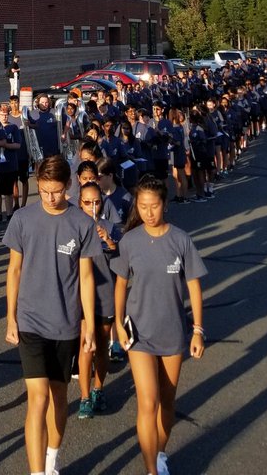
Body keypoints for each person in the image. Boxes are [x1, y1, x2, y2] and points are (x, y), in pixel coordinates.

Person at [4, 154, 102, 475]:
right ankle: (36, 472)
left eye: (56, 191)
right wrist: (10, 317)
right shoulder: (22, 219)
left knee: (59, 398)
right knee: (38, 398)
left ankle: (51, 458)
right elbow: (14, 270)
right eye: (44, 191)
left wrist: (87, 323)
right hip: (31, 321)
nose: (49, 198)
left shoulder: (82, 223)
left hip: (66, 324)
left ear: (68, 186)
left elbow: (86, 277)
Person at [112, 176, 207, 475]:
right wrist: (118, 323)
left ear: (164, 204)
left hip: (174, 331)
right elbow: (120, 285)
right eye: (142, 206)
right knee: (148, 402)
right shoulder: (129, 241)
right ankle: (151, 468)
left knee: (167, 402)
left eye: (154, 206)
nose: (148, 212)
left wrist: (198, 330)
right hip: (138, 333)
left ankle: (161, 452)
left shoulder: (180, 240)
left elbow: (194, 285)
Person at [76, 181, 118, 419]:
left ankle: (98, 388)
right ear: (79, 202)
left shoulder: (110, 227)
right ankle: (84, 396)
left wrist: (109, 241)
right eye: (87, 202)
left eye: (96, 202)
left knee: (101, 346)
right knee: (85, 345)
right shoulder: (74, 227)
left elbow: (123, 262)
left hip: (104, 295)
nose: (92, 207)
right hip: (81, 296)